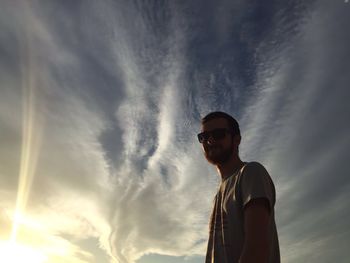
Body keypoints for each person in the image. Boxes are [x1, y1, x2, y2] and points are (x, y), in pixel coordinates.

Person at [198, 111, 280, 263]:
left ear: (237, 140)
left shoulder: (251, 173)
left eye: (218, 134)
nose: (209, 141)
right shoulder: (218, 195)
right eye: (204, 137)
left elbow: (257, 250)